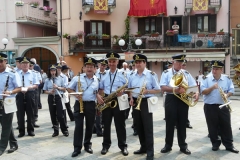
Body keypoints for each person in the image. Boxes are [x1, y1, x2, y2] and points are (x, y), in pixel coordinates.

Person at [159, 54, 199, 155]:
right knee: (170, 123)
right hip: (171, 98)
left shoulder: (186, 73)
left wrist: (196, 93)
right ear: (173, 62)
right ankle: (168, 145)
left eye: (182, 63)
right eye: (179, 62)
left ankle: (183, 146)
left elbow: (194, 85)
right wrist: (176, 90)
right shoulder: (166, 73)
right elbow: (163, 87)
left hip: (183, 99)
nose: (181, 65)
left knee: (182, 123)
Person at [200, 60, 239, 153]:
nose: (214, 71)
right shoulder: (206, 78)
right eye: (213, 68)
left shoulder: (227, 79)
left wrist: (227, 95)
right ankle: (215, 143)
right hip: (210, 106)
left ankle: (229, 145)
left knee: (226, 125)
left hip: (224, 105)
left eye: (216, 69)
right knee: (212, 126)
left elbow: (231, 90)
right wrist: (212, 87)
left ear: (221, 70)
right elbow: (203, 92)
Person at [128, 54, 161, 160]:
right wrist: (131, 97)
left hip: (146, 101)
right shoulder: (132, 75)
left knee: (147, 127)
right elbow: (130, 89)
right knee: (139, 126)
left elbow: (158, 90)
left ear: (145, 63)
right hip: (136, 101)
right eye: (136, 62)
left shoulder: (151, 74)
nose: (137, 64)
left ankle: (150, 151)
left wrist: (147, 91)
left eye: (140, 62)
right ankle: (143, 147)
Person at [97, 52, 129, 156]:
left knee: (120, 125)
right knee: (106, 125)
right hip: (107, 99)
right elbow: (101, 88)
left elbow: (128, 87)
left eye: (113, 61)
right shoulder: (104, 74)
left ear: (117, 62)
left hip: (118, 100)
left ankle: (123, 146)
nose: (111, 63)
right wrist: (100, 97)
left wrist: (123, 91)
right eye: (110, 61)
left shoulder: (123, 74)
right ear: (107, 62)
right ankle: (105, 146)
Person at [67, 57, 99, 157]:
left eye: (91, 67)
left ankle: (87, 145)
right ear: (84, 68)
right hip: (79, 103)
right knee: (79, 126)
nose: (89, 69)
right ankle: (77, 148)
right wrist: (75, 94)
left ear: (94, 69)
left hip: (91, 104)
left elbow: (97, 92)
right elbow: (68, 88)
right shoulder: (77, 78)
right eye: (87, 67)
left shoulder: (97, 79)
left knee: (90, 126)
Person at [0, 53, 21, 156]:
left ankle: (2, 147)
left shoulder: (12, 73)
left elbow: (19, 88)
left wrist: (10, 92)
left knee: (5, 125)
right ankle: (14, 144)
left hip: (8, 102)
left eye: (0, 61)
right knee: (5, 124)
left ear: (5, 61)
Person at [43, 65, 69, 137]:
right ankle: (56, 130)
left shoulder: (60, 78)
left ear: (56, 71)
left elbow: (64, 89)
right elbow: (44, 90)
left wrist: (58, 87)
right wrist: (49, 92)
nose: (53, 72)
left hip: (59, 97)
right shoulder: (47, 80)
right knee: (53, 115)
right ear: (50, 72)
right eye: (51, 71)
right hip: (51, 97)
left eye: (54, 71)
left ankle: (64, 130)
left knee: (60, 115)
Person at [16, 57, 39, 137]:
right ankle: (21, 131)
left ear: (29, 65)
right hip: (20, 94)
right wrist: (20, 89)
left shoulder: (33, 73)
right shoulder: (17, 73)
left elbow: (36, 85)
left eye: (26, 63)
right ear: (21, 65)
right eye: (23, 63)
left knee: (30, 113)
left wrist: (28, 88)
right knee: (20, 114)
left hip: (30, 93)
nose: (25, 65)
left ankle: (30, 130)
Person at [94, 59, 108, 137]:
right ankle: (97, 130)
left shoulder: (107, 73)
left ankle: (100, 127)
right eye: (102, 65)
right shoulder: (95, 72)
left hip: (104, 94)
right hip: (95, 94)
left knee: (102, 112)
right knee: (97, 113)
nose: (103, 66)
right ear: (99, 65)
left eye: (104, 65)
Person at [29, 60, 41, 128]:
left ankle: (34, 120)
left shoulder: (36, 72)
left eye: (31, 66)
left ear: (33, 66)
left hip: (35, 90)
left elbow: (40, 81)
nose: (30, 67)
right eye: (29, 65)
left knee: (35, 105)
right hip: (28, 91)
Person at [181, 60, 193, 129]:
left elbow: (192, 84)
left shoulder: (187, 74)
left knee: (185, 110)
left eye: (185, 65)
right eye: (182, 65)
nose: (183, 66)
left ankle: (186, 122)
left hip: (186, 94)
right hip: (178, 93)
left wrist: (191, 93)